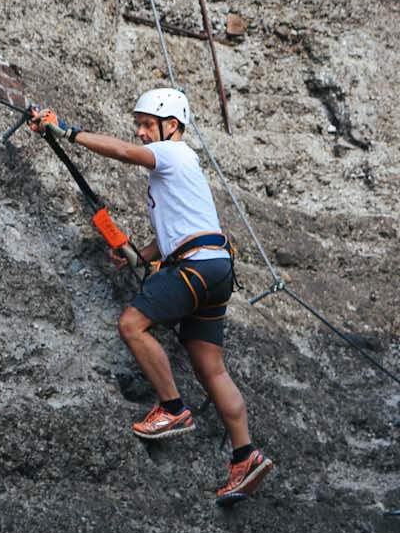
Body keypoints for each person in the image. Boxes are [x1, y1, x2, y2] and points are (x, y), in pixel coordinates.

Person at [30, 87, 273, 503]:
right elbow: (183, 229)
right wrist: (140, 255)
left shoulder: (174, 154)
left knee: (132, 324)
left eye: (147, 124)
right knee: (210, 368)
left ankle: (173, 408)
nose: (141, 132)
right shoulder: (184, 170)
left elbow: (125, 153)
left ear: (171, 126)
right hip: (214, 267)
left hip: (194, 266)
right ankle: (245, 455)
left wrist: (66, 131)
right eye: (138, 125)